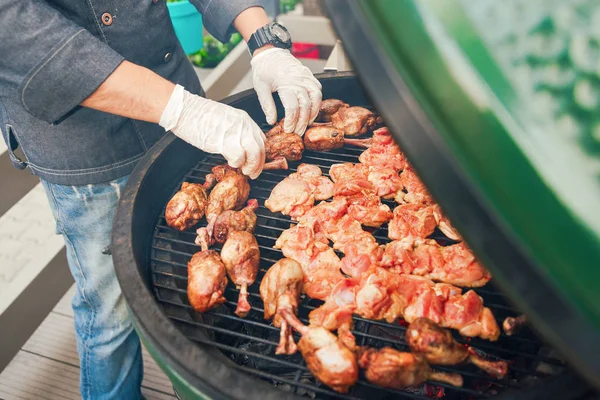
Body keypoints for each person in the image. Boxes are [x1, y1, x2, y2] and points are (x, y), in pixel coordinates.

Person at [0, 1, 322, 399]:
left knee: (186, 284)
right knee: (111, 311)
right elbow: (14, 27)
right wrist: (182, 110)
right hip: (86, 145)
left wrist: (263, 40)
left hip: (179, 113)